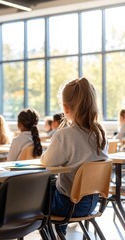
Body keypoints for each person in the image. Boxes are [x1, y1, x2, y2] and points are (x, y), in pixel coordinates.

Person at [41, 77, 108, 235]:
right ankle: (59, 234)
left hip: (67, 205)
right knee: (56, 185)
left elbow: (46, 162)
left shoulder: (65, 135)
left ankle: (56, 234)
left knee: (37, 192)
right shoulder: (100, 133)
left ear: (65, 108)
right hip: (92, 203)